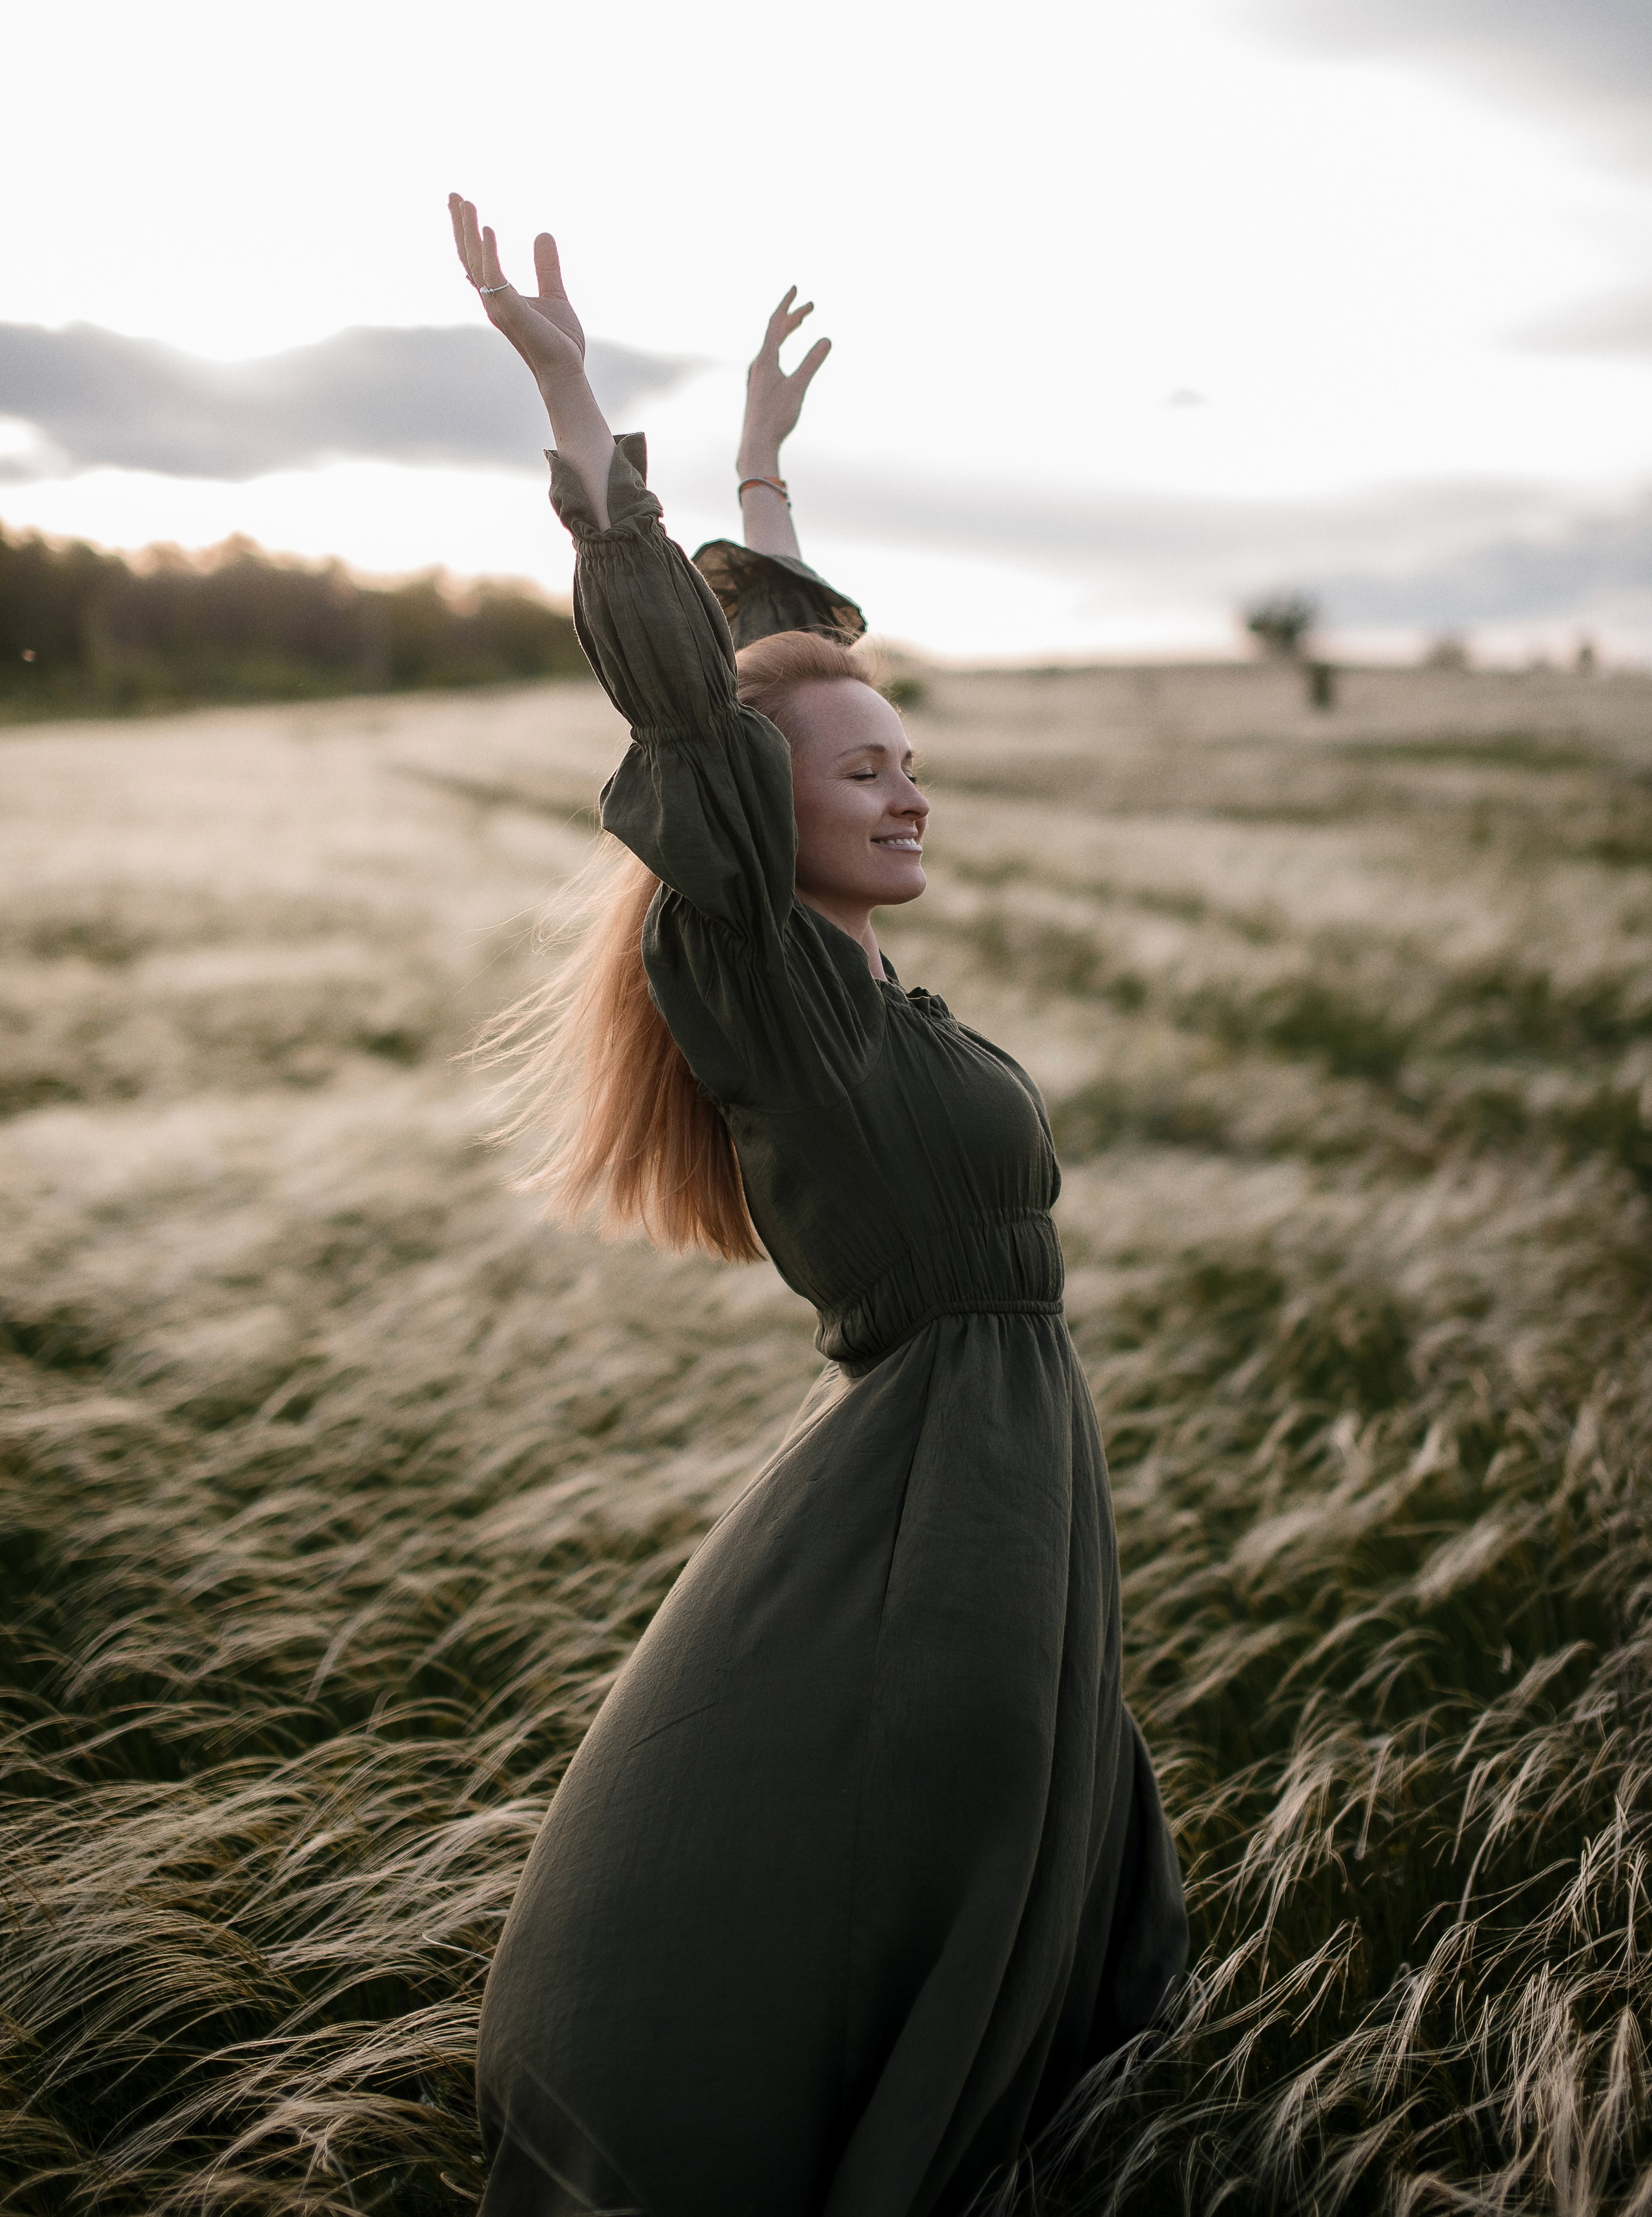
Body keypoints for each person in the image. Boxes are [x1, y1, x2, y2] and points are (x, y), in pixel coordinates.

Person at [448, 196, 1189, 2217]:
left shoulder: (865, 982)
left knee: (1013, 1826)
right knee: (911, 1829)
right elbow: (698, 709)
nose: (910, 789)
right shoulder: (763, 972)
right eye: (862, 774)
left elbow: (786, 665)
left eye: (913, 760)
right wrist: (579, 403)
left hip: (1011, 1463)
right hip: (935, 1481)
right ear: (756, 832)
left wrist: (767, 474)